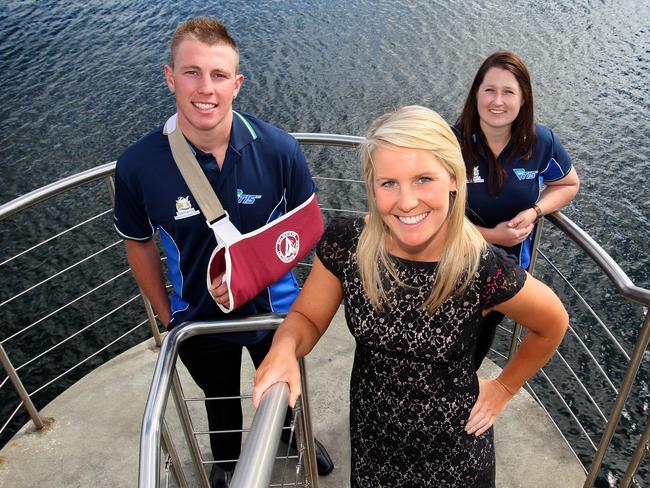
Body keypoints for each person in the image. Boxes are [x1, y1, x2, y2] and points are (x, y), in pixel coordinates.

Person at [253, 106, 569, 488]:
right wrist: (284, 348)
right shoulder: (347, 244)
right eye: (389, 183)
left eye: (423, 179)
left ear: (453, 179)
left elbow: (552, 323)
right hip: (374, 447)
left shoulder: (481, 268)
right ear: (371, 186)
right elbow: (307, 318)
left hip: (456, 459)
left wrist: (503, 387)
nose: (406, 201)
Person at [112, 17, 332, 487]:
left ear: (237, 83)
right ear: (170, 77)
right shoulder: (138, 165)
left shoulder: (279, 150)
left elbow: (309, 229)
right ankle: (228, 461)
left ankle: (293, 437)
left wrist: (259, 276)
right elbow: (138, 241)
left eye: (217, 75)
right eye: (191, 72)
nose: (204, 88)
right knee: (218, 398)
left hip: (274, 312)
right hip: (198, 317)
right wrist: (166, 312)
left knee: (284, 386)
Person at [455, 51, 580, 368]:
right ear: (476, 94)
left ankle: (466, 399)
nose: (498, 101)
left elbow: (567, 184)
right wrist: (489, 234)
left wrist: (536, 210)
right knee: (447, 340)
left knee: (480, 340)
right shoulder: (451, 143)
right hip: (452, 263)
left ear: (523, 98)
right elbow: (430, 213)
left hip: (506, 270)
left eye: (509, 92)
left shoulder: (540, 142)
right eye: (489, 90)